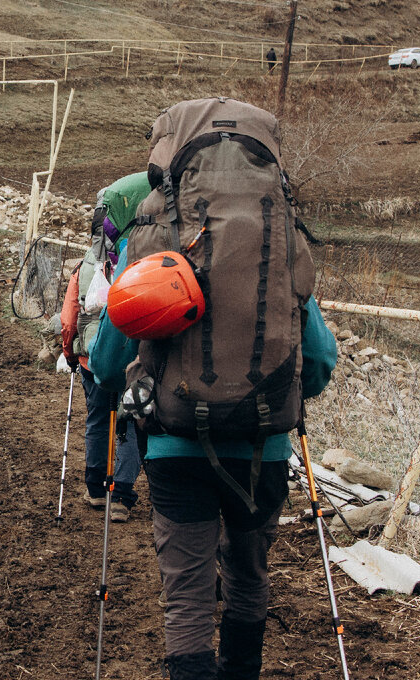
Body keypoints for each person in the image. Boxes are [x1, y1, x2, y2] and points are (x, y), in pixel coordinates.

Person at [89, 98, 337, 680]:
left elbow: (107, 360)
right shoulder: (277, 242)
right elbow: (320, 359)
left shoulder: (152, 234)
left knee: (188, 597)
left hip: (175, 446)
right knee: (249, 579)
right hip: (263, 445)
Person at [62, 173, 152, 523]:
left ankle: (96, 488)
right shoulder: (141, 257)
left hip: (90, 359)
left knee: (98, 418)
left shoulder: (85, 263)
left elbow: (70, 314)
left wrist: (69, 352)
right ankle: (122, 495)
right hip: (131, 357)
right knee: (129, 420)